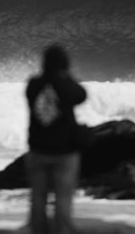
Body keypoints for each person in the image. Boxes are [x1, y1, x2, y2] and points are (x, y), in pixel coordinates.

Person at [25, 43, 88, 234]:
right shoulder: (66, 86)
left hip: (37, 151)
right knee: (63, 197)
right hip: (63, 152)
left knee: (38, 197)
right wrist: (66, 75)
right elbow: (81, 95)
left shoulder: (33, 84)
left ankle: (37, 230)